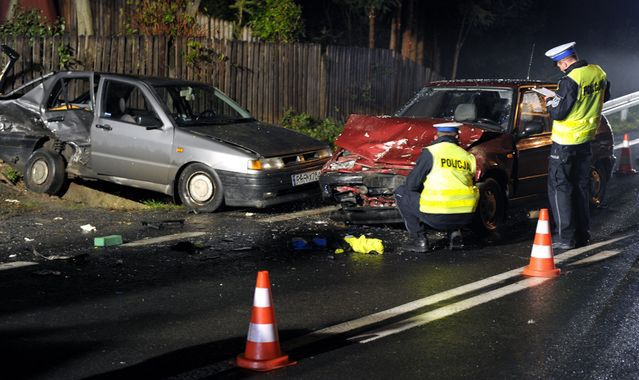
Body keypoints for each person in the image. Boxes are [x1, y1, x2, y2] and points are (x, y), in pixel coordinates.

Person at [544, 41, 610, 249]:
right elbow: (605, 96)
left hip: (565, 142)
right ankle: (583, 234)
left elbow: (558, 112)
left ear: (563, 63)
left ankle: (566, 239)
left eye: (558, 65)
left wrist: (550, 102)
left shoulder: (569, 80)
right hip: (586, 140)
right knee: (581, 187)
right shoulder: (598, 72)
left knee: (560, 189)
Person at [395, 122, 479, 252]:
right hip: (465, 217)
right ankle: (455, 234)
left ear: (436, 137)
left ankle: (419, 240)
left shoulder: (432, 152)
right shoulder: (468, 156)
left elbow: (412, 185)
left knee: (401, 192)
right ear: (457, 136)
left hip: (436, 217)